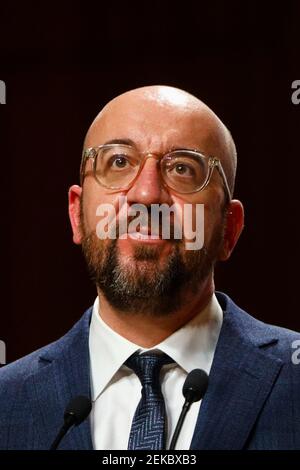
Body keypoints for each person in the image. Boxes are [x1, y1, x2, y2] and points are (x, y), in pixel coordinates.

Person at [0, 85, 300, 450]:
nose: (146, 195)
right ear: (77, 215)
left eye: (182, 168)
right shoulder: (7, 402)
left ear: (229, 230)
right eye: (119, 162)